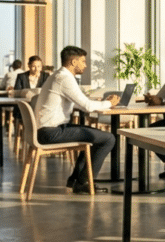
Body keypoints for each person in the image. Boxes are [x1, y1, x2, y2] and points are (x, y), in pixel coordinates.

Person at [34, 46, 121, 194]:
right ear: (74, 62)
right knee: (109, 138)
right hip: (50, 132)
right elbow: (86, 106)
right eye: (83, 61)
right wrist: (109, 104)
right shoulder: (64, 78)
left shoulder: (58, 75)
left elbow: (78, 102)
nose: (85, 65)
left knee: (93, 135)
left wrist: (99, 102)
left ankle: (76, 180)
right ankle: (83, 182)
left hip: (48, 129)